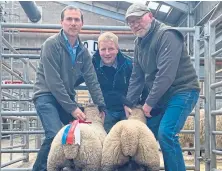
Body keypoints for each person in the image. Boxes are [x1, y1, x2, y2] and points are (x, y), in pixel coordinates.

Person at [124, 3, 200, 171]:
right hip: (163, 95)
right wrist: (128, 102)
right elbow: (137, 76)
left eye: (138, 19)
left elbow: (166, 74)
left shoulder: (167, 35)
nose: (134, 25)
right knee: (144, 131)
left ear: (150, 16)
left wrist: (149, 103)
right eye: (130, 22)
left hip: (183, 90)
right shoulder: (139, 43)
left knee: (166, 133)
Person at [32, 6, 106, 171]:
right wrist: (72, 108)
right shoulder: (51, 45)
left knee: (80, 133)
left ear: (82, 23)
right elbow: (53, 81)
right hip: (46, 95)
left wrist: (101, 105)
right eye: (69, 19)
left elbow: (92, 80)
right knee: (54, 135)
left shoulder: (83, 52)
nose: (73, 23)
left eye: (76, 20)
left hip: (65, 98)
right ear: (62, 22)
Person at [75, 32, 147, 133]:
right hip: (105, 110)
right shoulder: (91, 66)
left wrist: (139, 105)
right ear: (98, 50)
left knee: (129, 138)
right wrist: (74, 106)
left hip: (126, 108)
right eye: (103, 49)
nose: (107, 53)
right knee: (106, 141)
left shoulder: (129, 64)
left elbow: (141, 83)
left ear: (117, 49)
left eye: (111, 49)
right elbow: (73, 82)